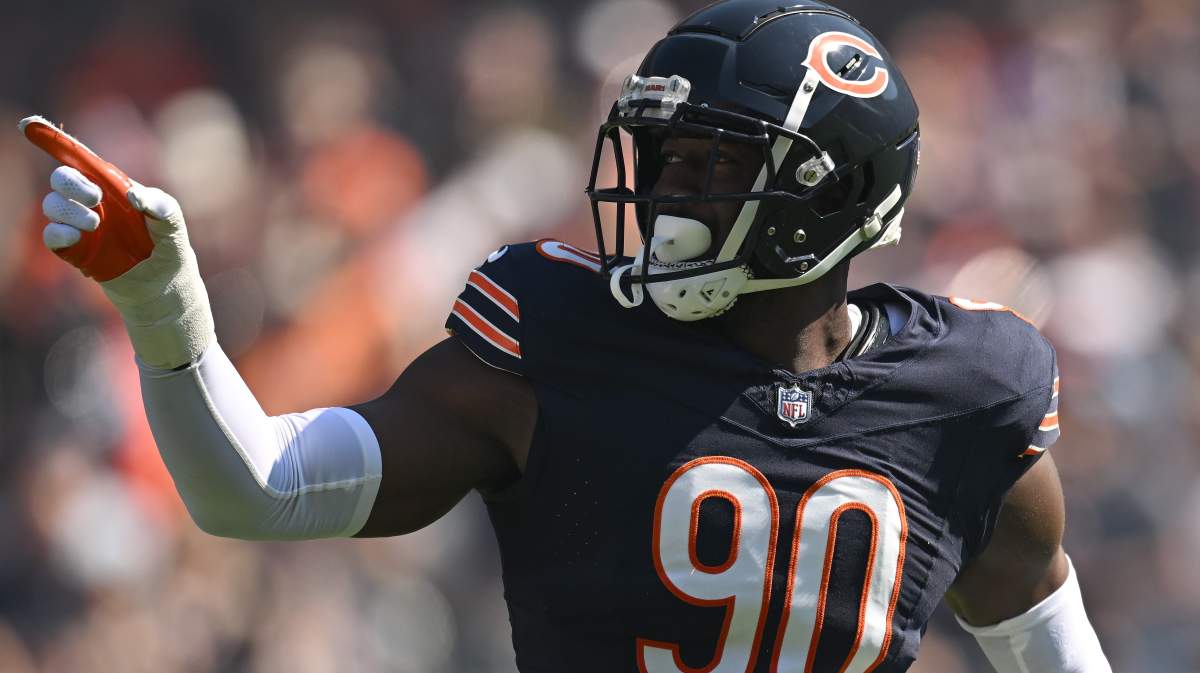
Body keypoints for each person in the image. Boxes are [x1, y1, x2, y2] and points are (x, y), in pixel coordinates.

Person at [24, 1, 1112, 671]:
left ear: (833, 197)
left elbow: (1053, 651)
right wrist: (162, 302)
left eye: (712, 167)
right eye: (664, 162)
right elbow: (254, 489)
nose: (667, 197)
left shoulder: (969, 391)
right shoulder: (556, 341)